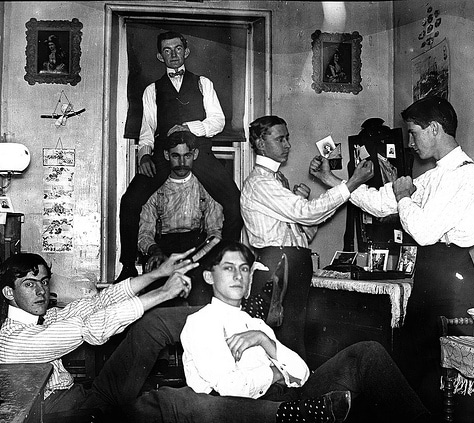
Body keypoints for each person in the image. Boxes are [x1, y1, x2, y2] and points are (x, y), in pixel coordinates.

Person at [0, 252, 353, 423]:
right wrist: (163, 293)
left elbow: (100, 301)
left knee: (153, 329)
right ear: (7, 293)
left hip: (87, 399)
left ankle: (236, 313)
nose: (41, 290)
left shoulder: (48, 316)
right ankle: (285, 411)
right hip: (68, 417)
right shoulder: (12, 341)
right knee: (174, 402)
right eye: (29, 284)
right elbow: (92, 328)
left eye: (44, 282)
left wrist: (158, 272)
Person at [346, 96, 474, 414]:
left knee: (451, 378)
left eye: (413, 133)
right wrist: (340, 185)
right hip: (428, 275)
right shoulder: (435, 176)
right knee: (415, 368)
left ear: (435, 128)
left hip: (453, 278)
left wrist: (404, 198)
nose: (410, 142)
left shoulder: (469, 176)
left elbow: (422, 232)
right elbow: (383, 203)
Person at [180, 240, 432, 423]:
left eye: (244, 268)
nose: (238, 275)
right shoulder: (200, 323)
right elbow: (230, 388)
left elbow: (301, 373)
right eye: (228, 268)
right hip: (254, 413)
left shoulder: (254, 324)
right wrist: (274, 372)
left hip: (291, 398)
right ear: (209, 276)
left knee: (367, 353)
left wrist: (265, 341)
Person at [240, 115, 374, 359]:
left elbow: (307, 227)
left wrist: (304, 201)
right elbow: (308, 214)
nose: (288, 144)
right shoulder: (260, 183)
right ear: (260, 143)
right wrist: (351, 183)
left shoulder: (277, 181)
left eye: (287, 138)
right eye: (280, 139)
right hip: (277, 267)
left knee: (292, 343)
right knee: (277, 345)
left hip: (293, 262)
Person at [117, 30, 243, 283]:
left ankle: (228, 261)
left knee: (234, 200)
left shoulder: (203, 83)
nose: (173, 54)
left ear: (186, 52)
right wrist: (144, 156)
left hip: (199, 152)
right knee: (130, 202)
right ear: (159, 56)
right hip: (166, 154)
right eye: (167, 50)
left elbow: (217, 122)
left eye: (177, 49)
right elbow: (147, 130)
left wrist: (189, 127)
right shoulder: (152, 90)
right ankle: (129, 265)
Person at [138, 130, 223, 304]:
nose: (182, 163)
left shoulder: (206, 188)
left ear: (195, 154)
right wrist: (155, 251)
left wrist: (191, 260)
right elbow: (144, 234)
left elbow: (215, 235)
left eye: (187, 156)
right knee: (160, 303)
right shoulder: (155, 190)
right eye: (176, 156)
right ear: (167, 155)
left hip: (197, 252)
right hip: (164, 252)